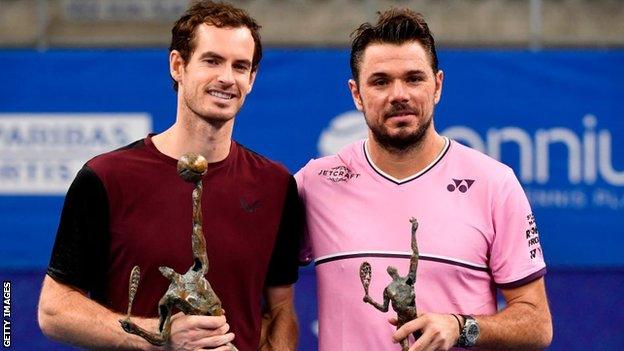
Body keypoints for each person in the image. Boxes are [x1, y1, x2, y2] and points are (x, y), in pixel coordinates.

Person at [38, 1, 302, 351]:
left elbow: (281, 310)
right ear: (178, 65)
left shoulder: (276, 185)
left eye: (240, 66)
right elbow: (54, 310)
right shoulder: (105, 177)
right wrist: (158, 336)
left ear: (251, 79)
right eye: (212, 61)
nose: (227, 77)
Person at [295, 8, 552, 351]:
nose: (399, 94)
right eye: (381, 81)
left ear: (438, 86)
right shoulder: (315, 183)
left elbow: (537, 324)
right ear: (357, 94)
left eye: (414, 78)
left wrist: (461, 327)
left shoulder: (494, 184)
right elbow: (252, 274)